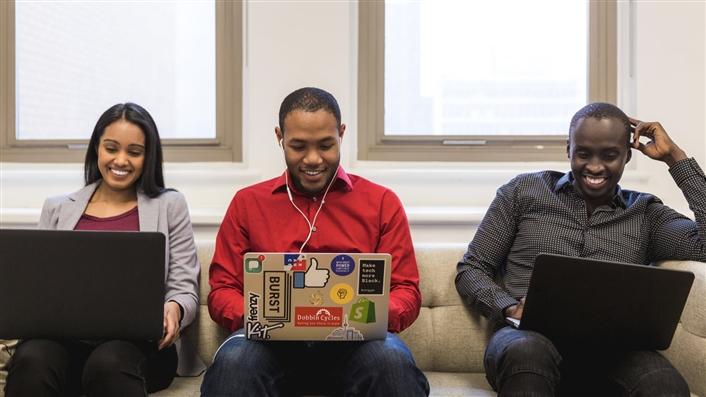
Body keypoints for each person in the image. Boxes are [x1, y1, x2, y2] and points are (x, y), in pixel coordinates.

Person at [455, 102, 705, 397]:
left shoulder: (646, 213)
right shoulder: (523, 192)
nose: (595, 167)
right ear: (568, 150)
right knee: (527, 353)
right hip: (527, 338)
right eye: (583, 153)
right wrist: (510, 307)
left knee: (664, 384)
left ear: (627, 155)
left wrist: (675, 159)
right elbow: (472, 268)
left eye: (610, 155)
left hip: (615, 349)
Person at [201, 87, 430, 396]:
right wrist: (265, 314)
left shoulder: (381, 203)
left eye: (325, 145)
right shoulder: (247, 203)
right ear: (279, 137)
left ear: (341, 134)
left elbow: (406, 291)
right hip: (269, 344)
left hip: (356, 344)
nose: (312, 159)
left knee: (390, 362)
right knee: (234, 364)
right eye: (298, 146)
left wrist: (363, 313)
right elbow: (222, 291)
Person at [5, 103, 203, 397]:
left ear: (148, 157)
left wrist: (174, 308)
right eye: (111, 148)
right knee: (32, 359)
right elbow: (40, 288)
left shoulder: (170, 205)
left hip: (138, 348)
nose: (121, 160)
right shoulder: (57, 208)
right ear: (97, 148)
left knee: (108, 363)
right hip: (64, 343)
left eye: (134, 152)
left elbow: (184, 287)